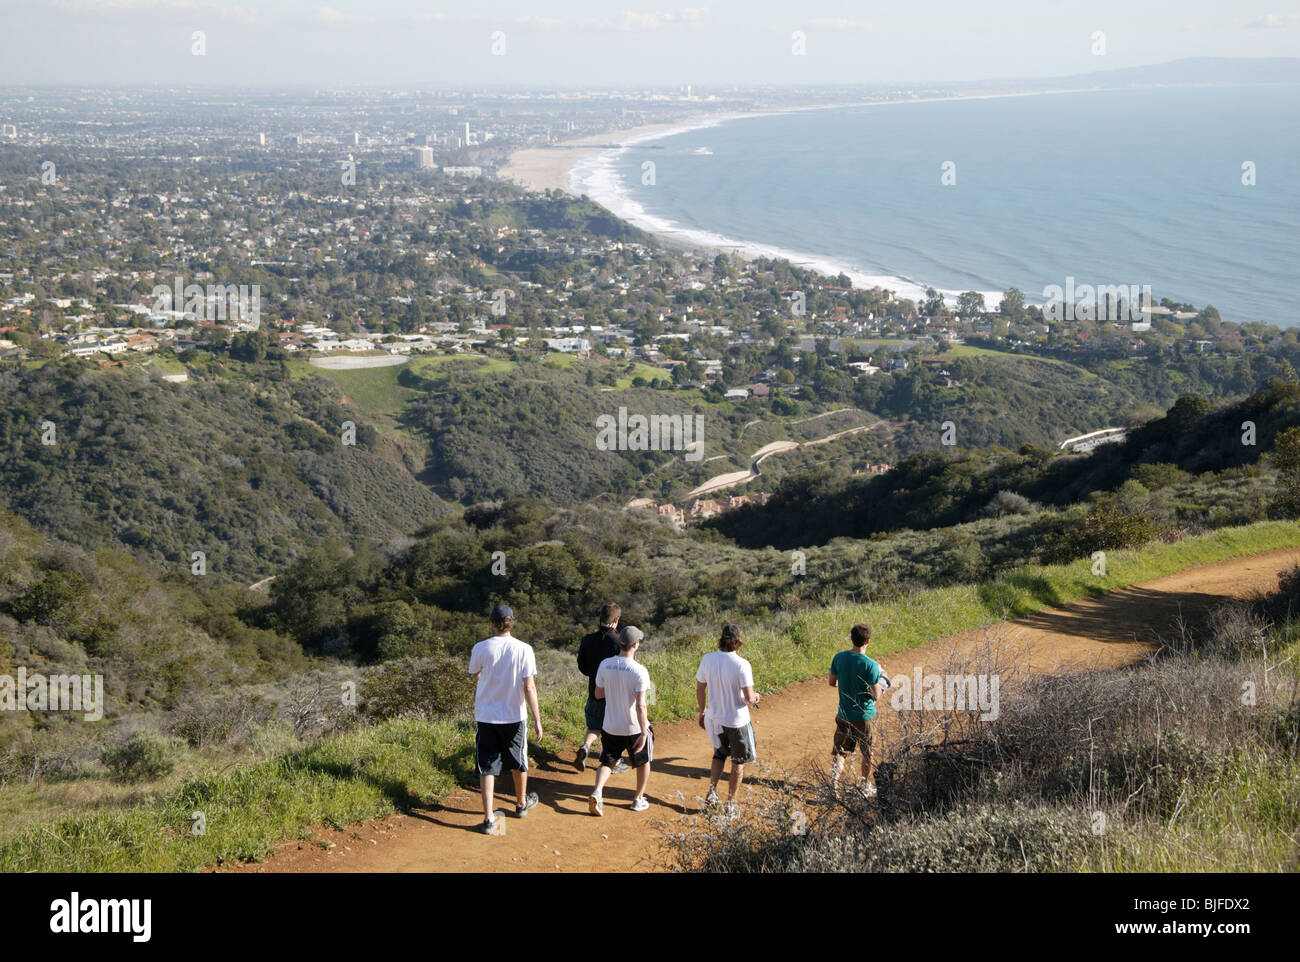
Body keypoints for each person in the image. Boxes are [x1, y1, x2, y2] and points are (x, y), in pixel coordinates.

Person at [468, 604, 543, 835]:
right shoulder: (525, 649)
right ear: (512, 623)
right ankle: (520, 803)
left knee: (487, 766)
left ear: (492, 623)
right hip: (514, 715)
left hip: (487, 716)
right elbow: (529, 686)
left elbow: (474, 673)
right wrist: (537, 719)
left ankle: (489, 819)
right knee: (519, 762)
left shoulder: (480, 648)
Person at [588, 626, 653, 816]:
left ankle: (597, 792)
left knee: (607, 762)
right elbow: (642, 705)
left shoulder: (605, 664)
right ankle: (638, 799)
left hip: (610, 725)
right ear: (635, 644)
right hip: (633, 726)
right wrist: (644, 731)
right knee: (642, 762)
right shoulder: (640, 670)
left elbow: (598, 694)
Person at [696, 624, 760, 810]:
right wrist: (756, 697)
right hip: (736, 720)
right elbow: (749, 698)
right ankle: (730, 804)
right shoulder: (741, 664)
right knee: (738, 762)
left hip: (715, 718)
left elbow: (701, 687)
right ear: (738, 640)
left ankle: (712, 792)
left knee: (719, 754)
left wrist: (702, 710)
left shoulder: (708, 659)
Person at [829, 623, 882, 794]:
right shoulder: (871, 665)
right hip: (864, 715)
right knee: (867, 752)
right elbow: (876, 695)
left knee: (840, 752)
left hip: (844, 713)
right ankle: (864, 785)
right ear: (868, 641)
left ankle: (833, 786)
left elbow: (832, 682)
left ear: (851, 639)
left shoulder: (839, 658)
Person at [575, 602, 627, 773]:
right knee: (611, 730)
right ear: (617, 619)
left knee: (594, 726)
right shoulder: (620, 642)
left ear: (600, 619)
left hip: (594, 690)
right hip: (615, 694)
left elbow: (582, 667)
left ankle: (586, 745)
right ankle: (611, 762)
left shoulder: (587, 639)